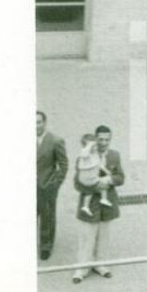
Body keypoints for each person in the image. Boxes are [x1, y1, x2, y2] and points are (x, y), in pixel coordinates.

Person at [72, 125, 124, 283]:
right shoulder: (85, 157)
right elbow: (77, 183)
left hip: (107, 205)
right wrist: (96, 186)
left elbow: (120, 177)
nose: (103, 143)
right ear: (95, 140)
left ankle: (100, 265)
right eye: (100, 139)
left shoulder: (114, 156)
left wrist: (109, 180)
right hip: (90, 205)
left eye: (107, 139)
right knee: (87, 237)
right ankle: (82, 269)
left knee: (104, 236)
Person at [36, 110, 68, 261]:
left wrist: (55, 184)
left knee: (47, 218)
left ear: (44, 123)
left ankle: (46, 246)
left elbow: (63, 164)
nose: (35, 126)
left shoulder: (56, 141)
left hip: (46, 186)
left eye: (38, 122)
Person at [75, 133, 113, 217]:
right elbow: (84, 153)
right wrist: (90, 145)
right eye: (93, 146)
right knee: (105, 182)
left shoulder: (94, 154)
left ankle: (85, 206)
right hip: (89, 179)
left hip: (89, 179)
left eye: (95, 146)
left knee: (89, 193)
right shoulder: (85, 155)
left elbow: (100, 164)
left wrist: (106, 171)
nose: (95, 148)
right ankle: (103, 199)